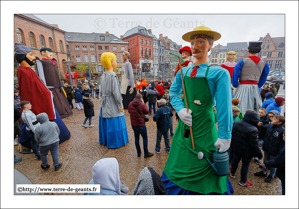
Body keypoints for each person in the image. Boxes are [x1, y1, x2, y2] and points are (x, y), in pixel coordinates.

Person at [162, 26, 234, 195]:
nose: (195, 46)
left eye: (200, 42)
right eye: (193, 42)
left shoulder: (220, 73)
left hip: (205, 129)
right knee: (181, 158)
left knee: (205, 162)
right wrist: (179, 110)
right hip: (185, 129)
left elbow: (224, 108)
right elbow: (173, 93)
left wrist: (224, 135)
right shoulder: (184, 71)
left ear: (211, 45)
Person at [15, 44, 71, 148]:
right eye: (30, 54)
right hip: (37, 102)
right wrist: (46, 93)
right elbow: (30, 90)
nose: (33, 57)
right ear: (23, 56)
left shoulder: (27, 70)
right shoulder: (24, 71)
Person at [99, 52, 129, 148]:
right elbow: (116, 93)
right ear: (112, 62)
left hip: (104, 104)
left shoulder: (102, 76)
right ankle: (116, 142)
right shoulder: (113, 76)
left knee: (105, 122)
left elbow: (100, 92)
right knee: (115, 123)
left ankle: (105, 140)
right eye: (115, 61)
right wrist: (120, 105)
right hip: (112, 104)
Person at [232, 41, 270, 113]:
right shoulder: (264, 62)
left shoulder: (242, 61)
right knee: (255, 106)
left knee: (239, 105)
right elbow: (264, 75)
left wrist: (235, 84)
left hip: (243, 86)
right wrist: (259, 84)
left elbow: (236, 72)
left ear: (249, 50)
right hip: (255, 87)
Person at [36, 47, 72, 119]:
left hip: (57, 86)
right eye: (48, 52)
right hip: (49, 86)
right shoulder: (40, 62)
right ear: (43, 52)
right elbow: (41, 74)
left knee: (61, 103)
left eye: (51, 52)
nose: (51, 54)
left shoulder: (53, 62)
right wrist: (44, 86)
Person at [229, 110, 263, 187]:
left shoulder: (236, 123)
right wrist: (259, 155)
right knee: (245, 165)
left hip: (236, 147)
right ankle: (243, 181)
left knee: (235, 160)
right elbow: (254, 145)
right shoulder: (253, 129)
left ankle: (232, 173)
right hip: (247, 151)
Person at [254, 115, 285, 183]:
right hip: (267, 148)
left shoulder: (282, 130)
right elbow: (264, 128)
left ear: (280, 122)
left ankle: (272, 175)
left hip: (275, 151)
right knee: (265, 160)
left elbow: (282, 143)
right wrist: (261, 125)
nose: (272, 120)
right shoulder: (269, 126)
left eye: (274, 119)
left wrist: (279, 152)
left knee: (273, 164)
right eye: (272, 118)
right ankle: (264, 172)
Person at [128, 94, 154, 158]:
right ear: (140, 98)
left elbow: (129, 111)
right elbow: (147, 111)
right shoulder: (142, 104)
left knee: (136, 138)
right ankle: (146, 153)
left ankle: (138, 152)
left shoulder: (130, 103)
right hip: (141, 125)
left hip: (134, 124)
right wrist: (143, 103)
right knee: (145, 138)